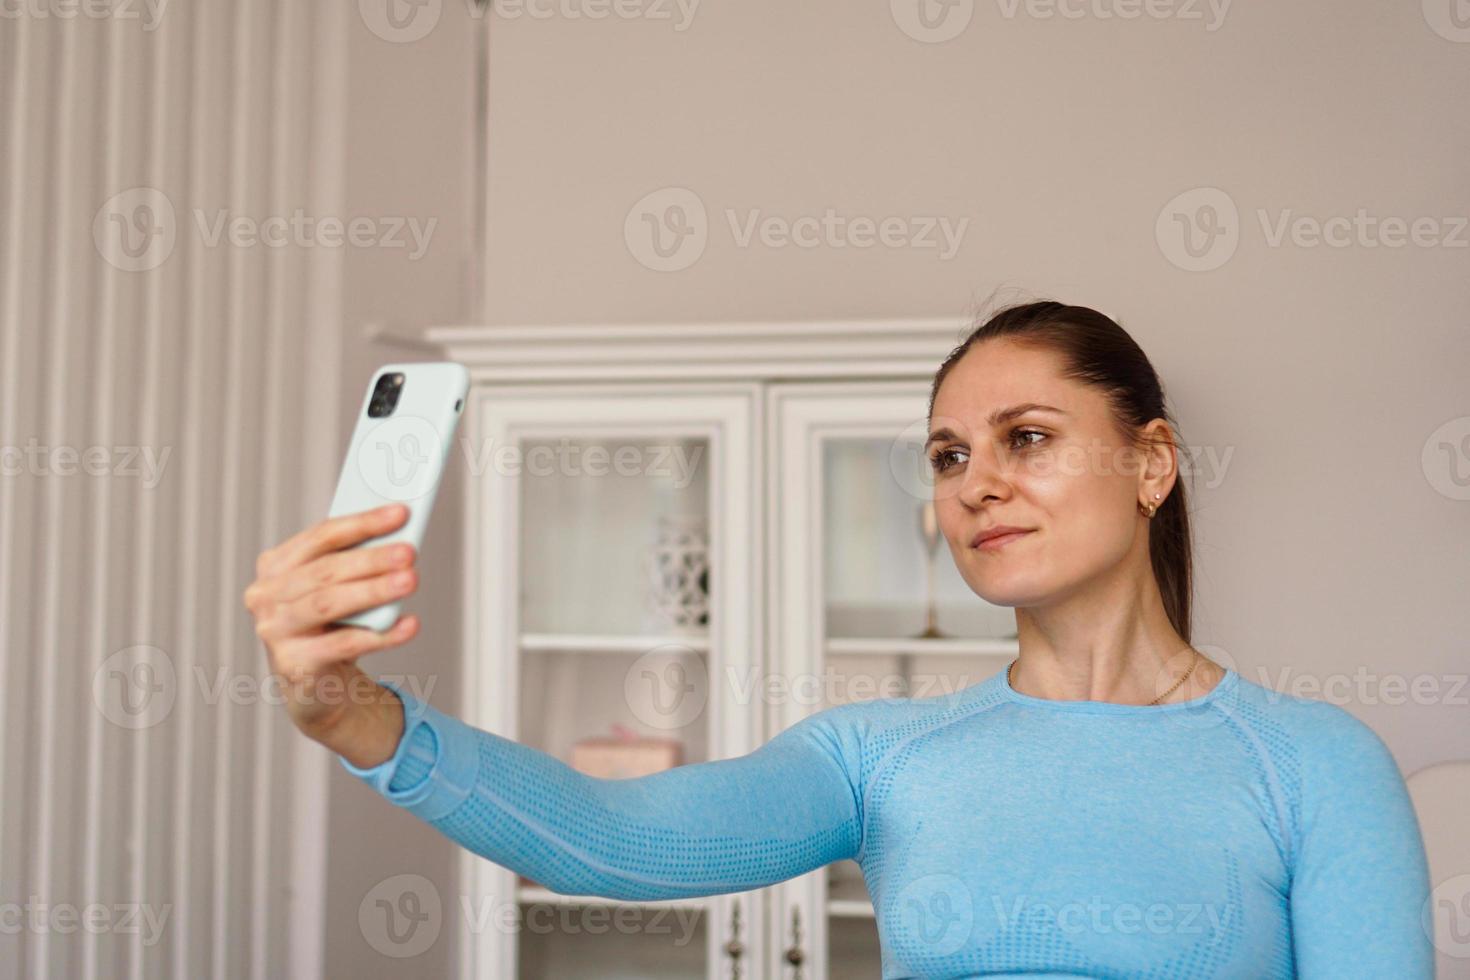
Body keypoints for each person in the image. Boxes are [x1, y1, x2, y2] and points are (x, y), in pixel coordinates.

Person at [243, 300, 1433, 978]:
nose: (976, 485)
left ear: (1153, 462)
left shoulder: (1312, 763)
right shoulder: (880, 754)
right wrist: (354, 713)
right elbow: (614, 838)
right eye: (950, 455)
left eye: (1027, 436)